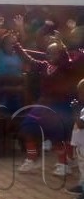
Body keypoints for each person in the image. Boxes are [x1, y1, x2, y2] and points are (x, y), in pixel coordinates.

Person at [15, 39, 75, 174]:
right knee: (27, 128)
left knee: (57, 135)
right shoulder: (44, 66)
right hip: (42, 105)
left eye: (54, 53)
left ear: (62, 55)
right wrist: (16, 46)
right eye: (48, 53)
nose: (50, 56)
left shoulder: (67, 68)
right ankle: (31, 159)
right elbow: (29, 60)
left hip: (60, 106)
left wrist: (63, 47)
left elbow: (71, 61)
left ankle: (63, 164)